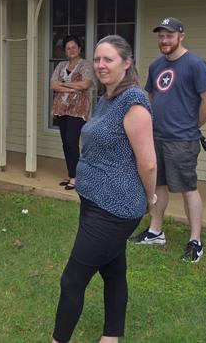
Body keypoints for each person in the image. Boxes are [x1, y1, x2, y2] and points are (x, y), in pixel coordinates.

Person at [51, 35, 157, 343]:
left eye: (108, 59)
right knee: (113, 270)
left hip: (116, 207)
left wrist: (150, 199)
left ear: (126, 63)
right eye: (97, 59)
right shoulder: (105, 99)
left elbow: (148, 164)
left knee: (71, 280)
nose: (100, 65)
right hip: (94, 200)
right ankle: (112, 336)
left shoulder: (134, 102)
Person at [132, 17, 206, 263]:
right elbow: (149, 96)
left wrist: (193, 125)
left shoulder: (196, 64)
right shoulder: (156, 66)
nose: (164, 40)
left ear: (181, 35)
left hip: (182, 141)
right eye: (160, 36)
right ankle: (155, 231)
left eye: (169, 35)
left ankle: (195, 241)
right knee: (158, 186)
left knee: (188, 189)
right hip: (156, 137)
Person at [50, 35, 95, 190]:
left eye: (74, 47)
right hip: (61, 109)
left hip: (78, 110)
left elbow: (86, 84)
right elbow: (53, 85)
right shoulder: (61, 65)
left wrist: (64, 84)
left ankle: (76, 177)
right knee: (65, 142)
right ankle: (71, 174)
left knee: (72, 141)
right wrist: (72, 87)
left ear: (79, 48)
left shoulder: (85, 65)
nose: (71, 50)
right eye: (68, 48)